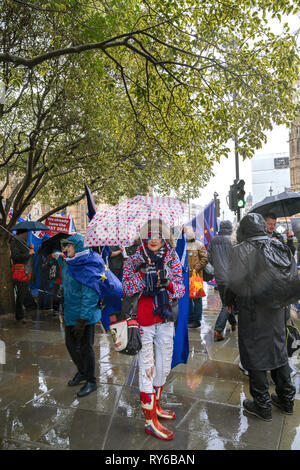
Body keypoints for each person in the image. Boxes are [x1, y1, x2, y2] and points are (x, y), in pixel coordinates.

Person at [225, 213, 296, 421]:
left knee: (255, 357)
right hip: (277, 311)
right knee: (278, 351)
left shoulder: (240, 250)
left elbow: (234, 282)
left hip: (253, 310)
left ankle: (262, 405)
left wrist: (229, 301)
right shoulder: (279, 245)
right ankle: (286, 400)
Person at [122, 218, 185, 441]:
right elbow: (126, 287)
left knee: (164, 365)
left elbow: (180, 289)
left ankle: (155, 406)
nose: (154, 239)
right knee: (147, 369)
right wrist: (143, 278)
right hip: (143, 321)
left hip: (165, 319)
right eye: (150, 235)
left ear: (164, 236)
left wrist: (167, 283)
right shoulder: (134, 259)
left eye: (158, 235)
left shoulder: (172, 257)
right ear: (144, 237)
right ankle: (150, 421)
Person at [60, 234, 101, 398]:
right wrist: (62, 290)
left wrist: (82, 319)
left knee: (85, 348)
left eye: (68, 246)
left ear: (77, 247)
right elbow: (66, 282)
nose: (65, 249)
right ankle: (82, 372)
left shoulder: (86, 267)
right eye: (65, 246)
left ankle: (91, 380)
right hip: (70, 313)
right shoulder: (69, 263)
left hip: (84, 316)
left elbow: (90, 295)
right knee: (71, 346)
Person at [207, 220, 237, 341]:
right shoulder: (233, 240)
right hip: (232, 277)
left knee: (227, 301)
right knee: (227, 304)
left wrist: (217, 266)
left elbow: (209, 256)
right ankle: (218, 330)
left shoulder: (214, 240)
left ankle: (233, 323)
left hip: (219, 277)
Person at [10, 229, 37, 322]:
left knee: (23, 292)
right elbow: (16, 256)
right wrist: (28, 253)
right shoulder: (15, 241)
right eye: (27, 233)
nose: (27, 235)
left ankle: (28, 307)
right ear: (24, 233)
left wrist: (30, 248)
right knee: (21, 295)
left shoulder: (22, 242)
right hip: (21, 272)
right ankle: (19, 316)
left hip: (26, 271)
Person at [184, 226, 208, 328]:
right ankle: (189, 318)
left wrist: (195, 269)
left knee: (197, 299)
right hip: (185, 276)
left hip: (196, 277)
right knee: (188, 299)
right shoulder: (183, 245)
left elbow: (204, 259)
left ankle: (197, 320)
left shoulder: (199, 244)